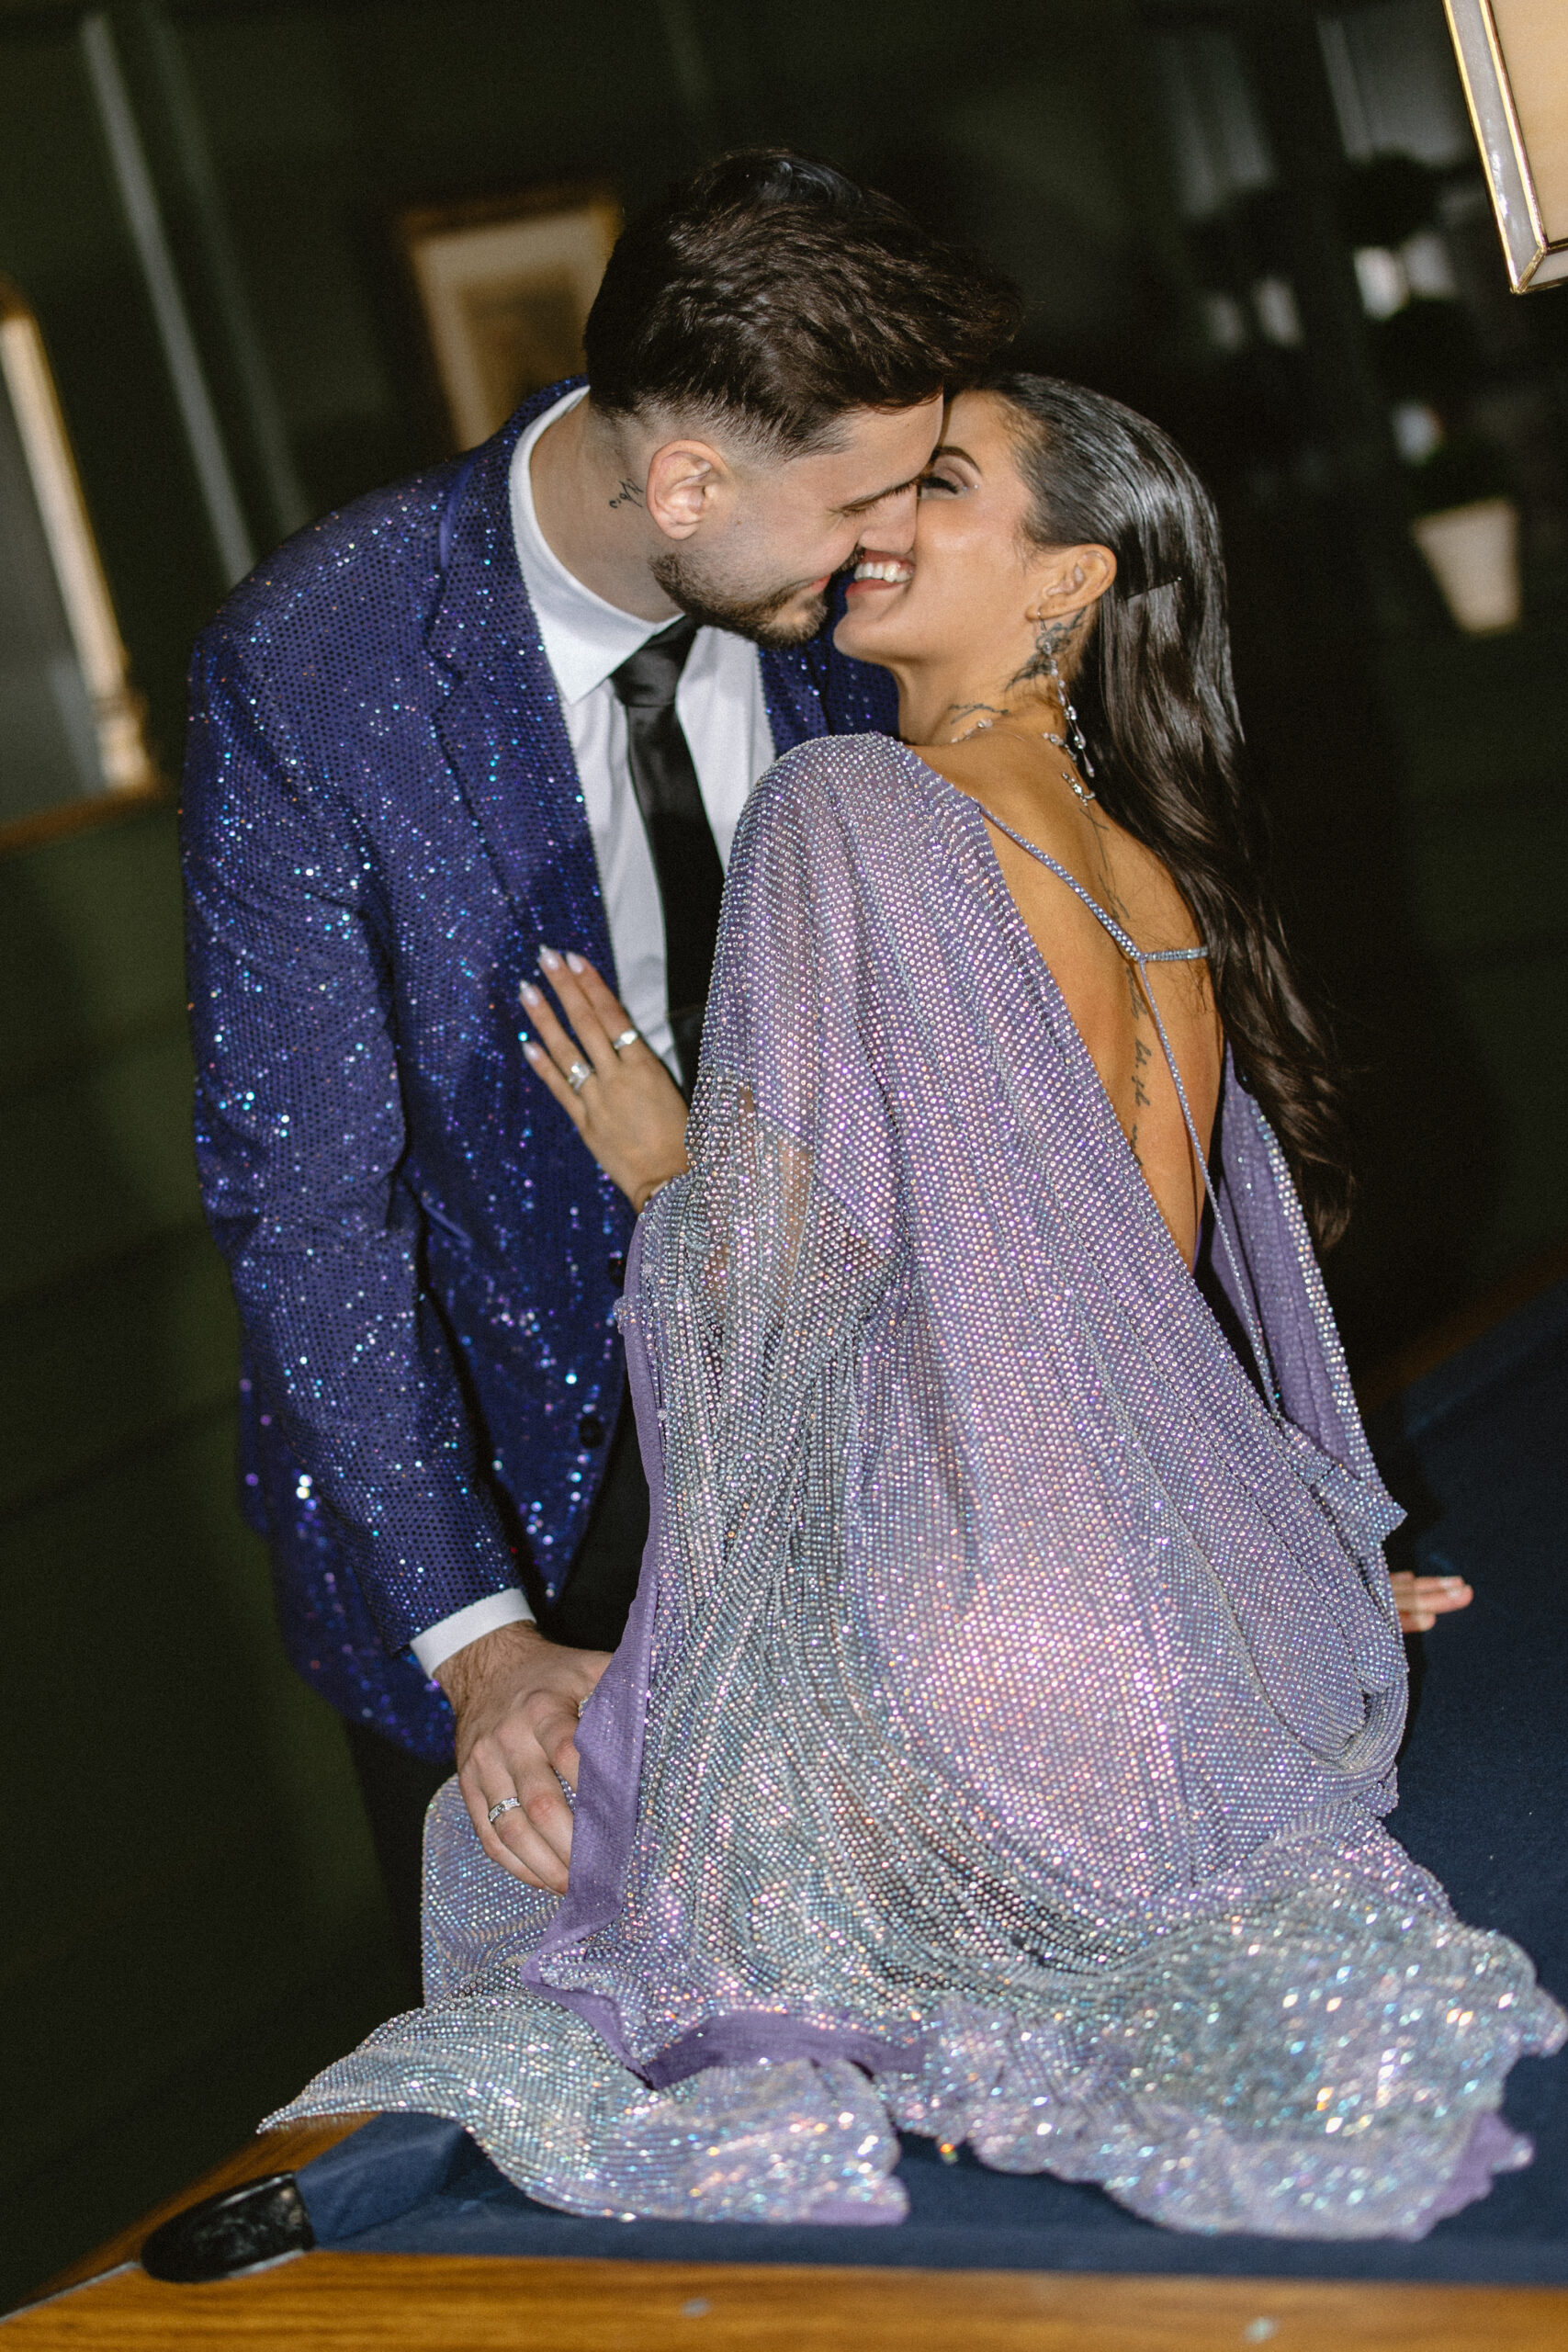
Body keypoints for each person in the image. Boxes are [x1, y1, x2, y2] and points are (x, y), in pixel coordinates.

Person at [273, 376, 1556, 2237]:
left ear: (1065, 584)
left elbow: (781, 1315)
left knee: (519, 1843)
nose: (870, 515)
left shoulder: (848, 807)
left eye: (936, 485)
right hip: (1210, 1672)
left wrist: (656, 1164)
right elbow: (1135, 1306)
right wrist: (1286, 1543)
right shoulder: (1156, 875)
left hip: (974, 1672)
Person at [181, 151, 1018, 1972]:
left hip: (866, 1442)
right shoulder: (314, 668)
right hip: (508, 1502)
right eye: (860, 503)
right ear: (685, 482)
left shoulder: (859, 614)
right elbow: (308, 1198)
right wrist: (482, 1639)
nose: (893, 550)